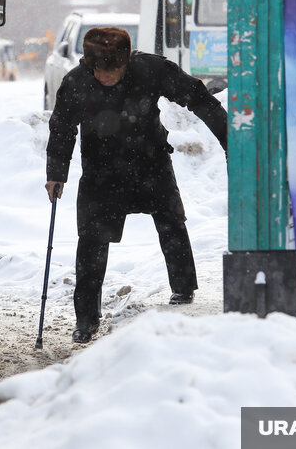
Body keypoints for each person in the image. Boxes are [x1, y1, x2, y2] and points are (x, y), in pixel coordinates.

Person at [45, 27, 227, 344]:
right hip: (100, 174)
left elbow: (197, 97)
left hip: (150, 163)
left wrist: (230, 140)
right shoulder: (76, 82)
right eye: (100, 71)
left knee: (172, 221)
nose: (107, 77)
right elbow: (61, 129)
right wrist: (56, 172)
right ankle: (86, 319)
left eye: (113, 69)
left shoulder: (150, 69)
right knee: (91, 241)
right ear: (91, 66)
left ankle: (184, 289)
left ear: (126, 62)